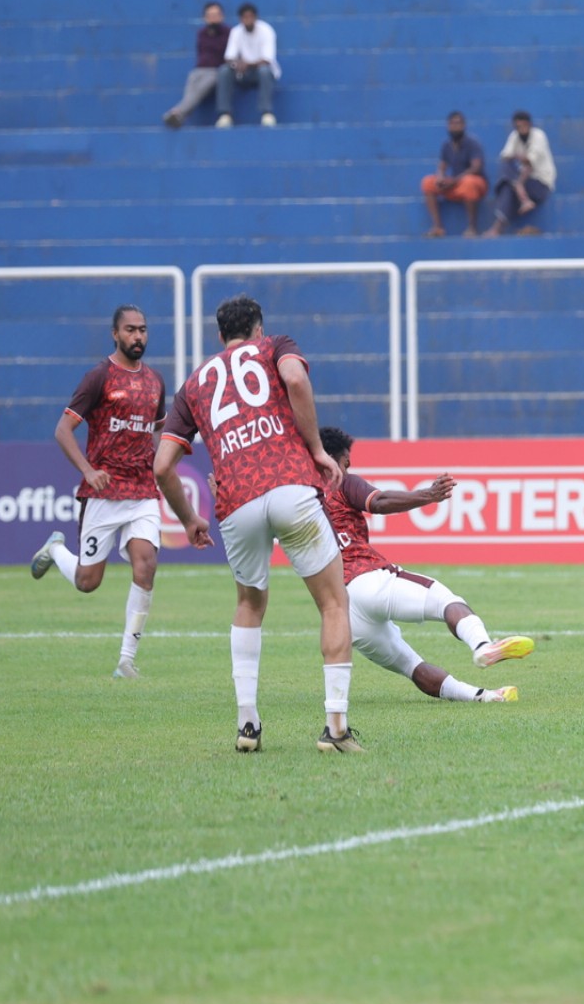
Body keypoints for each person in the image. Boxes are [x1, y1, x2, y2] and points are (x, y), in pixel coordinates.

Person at [154, 294, 360, 754]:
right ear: (259, 330)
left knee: (249, 604)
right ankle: (336, 727)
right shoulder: (273, 348)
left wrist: (190, 519)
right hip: (289, 483)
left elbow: (162, 465)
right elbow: (294, 377)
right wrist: (316, 449)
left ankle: (248, 724)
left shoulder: (193, 385)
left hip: (236, 499)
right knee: (332, 602)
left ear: (219, 336)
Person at [319, 426, 534, 701]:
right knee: (447, 601)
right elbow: (380, 501)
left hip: (341, 609)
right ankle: (482, 646)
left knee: (411, 666)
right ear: (340, 459)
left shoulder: (299, 496)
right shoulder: (342, 482)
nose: (348, 466)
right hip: (368, 579)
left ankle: (486, 697)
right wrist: (428, 495)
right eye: (347, 461)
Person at [29, 307, 167, 681]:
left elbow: (156, 431)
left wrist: (161, 462)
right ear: (115, 334)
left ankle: (126, 660)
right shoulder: (99, 377)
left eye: (142, 330)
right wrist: (89, 470)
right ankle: (56, 548)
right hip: (104, 493)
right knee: (88, 582)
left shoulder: (156, 381)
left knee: (146, 565)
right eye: (130, 330)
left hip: (142, 491)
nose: (137, 337)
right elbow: (63, 430)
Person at [485, 110, 556, 237]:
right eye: (518, 127)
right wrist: (519, 186)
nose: (521, 129)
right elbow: (505, 157)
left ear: (529, 124)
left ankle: (497, 228)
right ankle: (521, 199)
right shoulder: (514, 136)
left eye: (524, 125)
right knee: (507, 178)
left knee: (508, 182)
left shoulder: (539, 136)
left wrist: (518, 184)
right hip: (521, 184)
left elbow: (528, 162)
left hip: (540, 185)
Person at [162, 2, 230, 129]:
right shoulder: (202, 33)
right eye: (210, 15)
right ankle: (180, 115)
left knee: (203, 86)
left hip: (217, 70)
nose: (213, 18)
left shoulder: (228, 33)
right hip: (199, 70)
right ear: (205, 17)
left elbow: (221, 52)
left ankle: (177, 112)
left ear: (222, 16)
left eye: (216, 15)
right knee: (192, 86)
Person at [421, 110, 488, 237]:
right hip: (456, 183)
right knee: (428, 182)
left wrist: (455, 180)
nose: (455, 126)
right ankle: (437, 227)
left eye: (458, 123)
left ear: (464, 125)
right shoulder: (446, 145)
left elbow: (476, 167)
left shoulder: (473, 143)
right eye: (452, 124)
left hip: (475, 184)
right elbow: (442, 166)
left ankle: (472, 228)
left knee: (470, 182)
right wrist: (441, 177)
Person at [216, 3, 279, 128]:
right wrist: (237, 64)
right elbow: (229, 57)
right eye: (245, 17)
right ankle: (225, 115)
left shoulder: (266, 30)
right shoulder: (236, 31)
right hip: (242, 73)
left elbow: (267, 60)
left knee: (264, 71)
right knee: (224, 71)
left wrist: (247, 64)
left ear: (256, 17)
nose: (248, 20)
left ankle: (266, 113)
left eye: (251, 17)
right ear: (241, 19)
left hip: (261, 73)